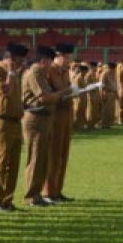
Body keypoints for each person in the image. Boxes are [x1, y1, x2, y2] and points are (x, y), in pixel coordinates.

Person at [21, 47, 72, 207]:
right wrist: (64, 93)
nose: (51, 66)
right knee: (36, 159)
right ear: (44, 61)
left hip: (43, 118)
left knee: (42, 158)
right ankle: (31, 196)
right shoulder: (35, 73)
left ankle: (37, 195)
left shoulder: (41, 73)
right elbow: (44, 97)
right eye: (50, 62)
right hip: (35, 118)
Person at [0, 43, 27, 212]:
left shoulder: (16, 74)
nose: (21, 65)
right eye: (18, 61)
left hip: (16, 121)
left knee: (14, 163)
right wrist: (10, 72)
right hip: (2, 121)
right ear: (10, 59)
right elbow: (5, 90)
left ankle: (8, 200)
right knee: (1, 162)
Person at [43, 42, 76, 203]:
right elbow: (48, 94)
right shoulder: (50, 71)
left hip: (66, 113)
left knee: (63, 153)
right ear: (59, 56)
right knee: (53, 153)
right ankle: (48, 191)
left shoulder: (65, 71)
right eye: (68, 57)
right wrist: (66, 92)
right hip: (54, 115)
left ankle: (57, 190)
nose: (71, 60)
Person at [100, 61, 117, 129]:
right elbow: (102, 85)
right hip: (106, 93)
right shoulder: (104, 74)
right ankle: (104, 124)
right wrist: (102, 95)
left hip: (112, 94)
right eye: (113, 69)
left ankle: (108, 124)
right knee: (106, 110)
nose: (114, 70)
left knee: (110, 110)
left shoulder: (113, 74)